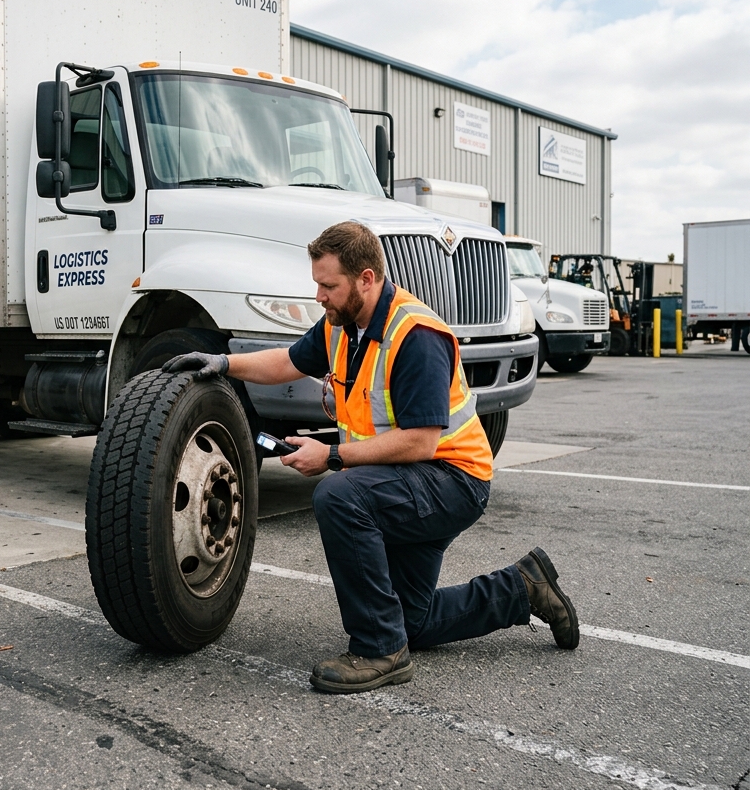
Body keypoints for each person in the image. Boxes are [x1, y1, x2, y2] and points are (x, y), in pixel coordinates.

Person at [163, 221, 579, 693]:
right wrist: (221, 363)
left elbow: (421, 442)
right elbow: (287, 362)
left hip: (452, 481)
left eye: (328, 285)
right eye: (317, 284)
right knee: (412, 622)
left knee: (338, 496)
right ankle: (523, 587)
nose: (319, 296)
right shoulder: (344, 325)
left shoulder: (416, 335)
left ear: (366, 278)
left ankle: (379, 650)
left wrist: (333, 456)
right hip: (405, 479)